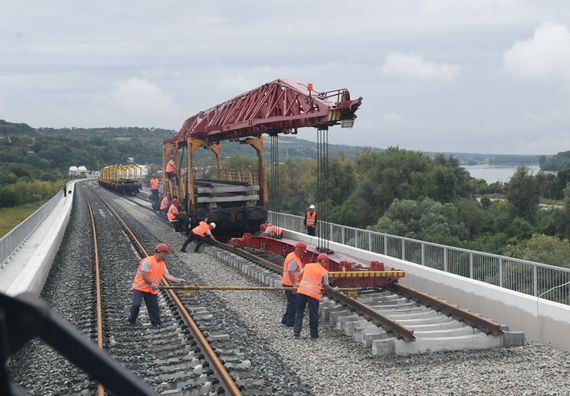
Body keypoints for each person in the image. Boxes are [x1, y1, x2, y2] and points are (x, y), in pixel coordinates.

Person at [128, 243, 185, 327]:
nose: (166, 256)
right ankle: (131, 321)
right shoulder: (147, 261)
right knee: (136, 305)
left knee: (153, 307)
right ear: (160, 252)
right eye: (165, 253)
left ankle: (156, 323)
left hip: (151, 289)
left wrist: (176, 280)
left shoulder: (162, 264)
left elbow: (167, 275)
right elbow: (144, 274)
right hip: (139, 288)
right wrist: (151, 283)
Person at [294, 253, 333, 339]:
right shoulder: (324, 271)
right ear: (323, 262)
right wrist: (334, 290)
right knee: (313, 314)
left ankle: (297, 331)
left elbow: (299, 275)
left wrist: (299, 284)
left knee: (299, 311)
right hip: (313, 294)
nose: (326, 265)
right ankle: (314, 334)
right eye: (326, 263)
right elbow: (326, 286)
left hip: (301, 291)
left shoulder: (308, 266)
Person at [280, 242, 306, 327]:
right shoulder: (293, 259)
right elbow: (291, 272)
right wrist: (294, 284)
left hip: (289, 283)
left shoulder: (294, 256)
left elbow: (295, 271)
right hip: (290, 284)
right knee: (293, 303)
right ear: (298, 250)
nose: (303, 253)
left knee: (292, 302)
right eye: (302, 251)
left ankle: (285, 320)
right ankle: (290, 322)